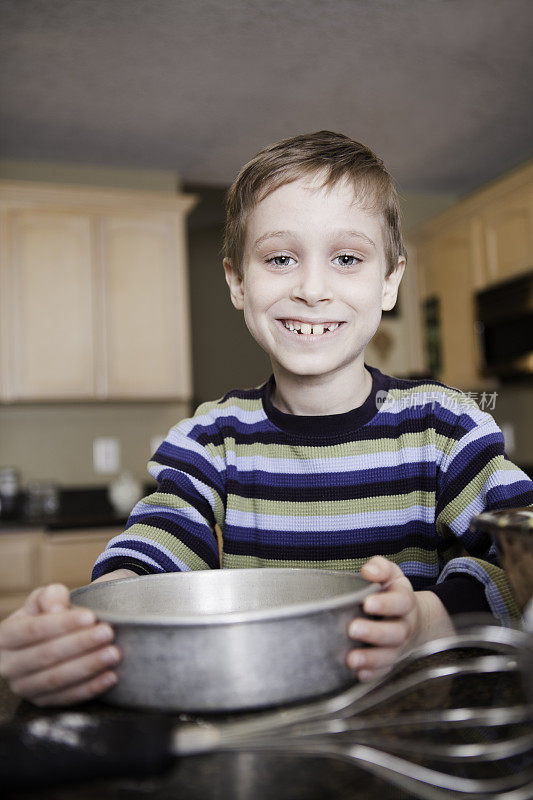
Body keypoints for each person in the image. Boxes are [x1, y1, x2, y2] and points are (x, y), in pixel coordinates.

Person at [1, 131, 532, 708]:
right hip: (265, 729)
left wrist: (426, 620)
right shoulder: (210, 439)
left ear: (389, 282)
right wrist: (91, 621)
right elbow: (157, 547)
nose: (311, 289)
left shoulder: (447, 427)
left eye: (347, 259)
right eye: (280, 258)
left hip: (418, 728)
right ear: (237, 281)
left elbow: (515, 560)